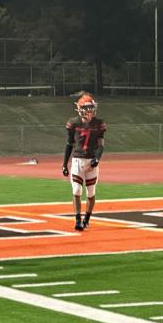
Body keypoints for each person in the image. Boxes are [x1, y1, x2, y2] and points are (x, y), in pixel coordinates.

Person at [62, 92, 107, 231]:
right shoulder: (73, 123)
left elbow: (100, 145)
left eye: (91, 107)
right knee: (76, 190)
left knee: (91, 193)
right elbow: (69, 144)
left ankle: (87, 217)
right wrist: (64, 164)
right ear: (80, 109)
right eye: (87, 108)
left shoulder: (99, 124)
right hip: (77, 160)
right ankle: (77, 219)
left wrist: (97, 158)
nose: (90, 110)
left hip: (91, 161)